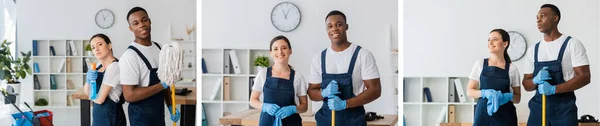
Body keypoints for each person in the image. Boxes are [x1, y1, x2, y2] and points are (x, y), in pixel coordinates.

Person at [308, 10, 381, 126]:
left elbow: (375, 90)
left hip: (354, 121)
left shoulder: (362, 55)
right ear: (326, 30)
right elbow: (312, 92)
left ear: (346, 27)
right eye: (330, 26)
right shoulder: (319, 58)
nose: (334, 29)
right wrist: (324, 93)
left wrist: (345, 104)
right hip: (325, 121)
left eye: (339, 24)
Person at [524, 4, 591, 126]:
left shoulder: (572, 44)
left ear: (555, 18)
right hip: (538, 110)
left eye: (543, 16)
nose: (538, 20)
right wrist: (535, 80)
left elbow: (584, 76)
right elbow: (526, 85)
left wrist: (554, 89)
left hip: (564, 111)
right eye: (537, 17)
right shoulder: (533, 50)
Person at [119, 7, 180, 126]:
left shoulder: (160, 49)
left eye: (144, 20)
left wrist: (171, 106)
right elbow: (129, 95)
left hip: (158, 115)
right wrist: (161, 84)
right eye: (135, 23)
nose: (141, 25)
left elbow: (166, 80)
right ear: (130, 28)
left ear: (149, 21)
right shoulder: (130, 56)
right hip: (141, 118)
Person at [249, 35, 308, 126]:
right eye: (275, 49)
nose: (280, 52)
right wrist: (265, 107)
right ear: (271, 52)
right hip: (267, 122)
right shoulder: (263, 74)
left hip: (292, 122)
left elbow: (304, 106)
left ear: (290, 51)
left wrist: (293, 109)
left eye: (284, 48)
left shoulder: (297, 77)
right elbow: (253, 100)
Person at [466, 29, 521, 125]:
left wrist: (507, 97)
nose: (490, 42)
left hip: (506, 117)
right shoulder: (480, 64)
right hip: (483, 116)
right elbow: (469, 91)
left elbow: (517, 98)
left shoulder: (512, 69)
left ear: (505, 44)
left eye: (495, 39)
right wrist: (484, 93)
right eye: (489, 40)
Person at [84, 34, 126, 126]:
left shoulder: (114, 67)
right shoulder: (98, 65)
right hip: (98, 114)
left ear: (109, 45)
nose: (96, 49)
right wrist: (88, 81)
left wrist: (91, 95)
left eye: (100, 44)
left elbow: (99, 99)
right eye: (93, 47)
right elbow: (87, 92)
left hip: (111, 116)